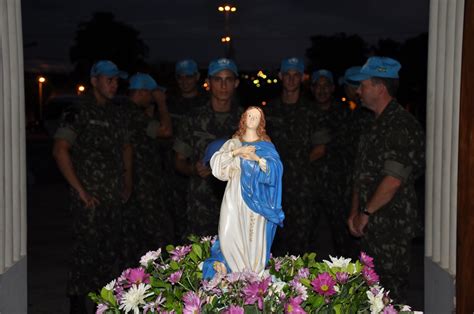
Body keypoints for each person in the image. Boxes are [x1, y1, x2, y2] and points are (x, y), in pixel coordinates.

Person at [52, 60, 131, 313]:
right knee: (85, 252)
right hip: (89, 198)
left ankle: (104, 302)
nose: (114, 84)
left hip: (113, 196)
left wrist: (127, 183)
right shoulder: (78, 111)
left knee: (109, 253)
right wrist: (80, 191)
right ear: (94, 81)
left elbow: (126, 148)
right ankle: (77, 304)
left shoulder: (115, 113)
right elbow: (60, 150)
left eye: (116, 79)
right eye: (109, 79)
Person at [346, 56, 425, 302]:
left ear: (380, 87)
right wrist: (355, 212)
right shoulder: (375, 124)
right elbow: (362, 175)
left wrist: (365, 214)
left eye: (364, 85)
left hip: (390, 227)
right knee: (370, 294)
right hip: (371, 225)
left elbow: (393, 180)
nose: (358, 90)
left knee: (390, 296)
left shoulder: (401, 125)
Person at [202, 107, 284, 278]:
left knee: (254, 237)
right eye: (250, 116)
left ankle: (252, 276)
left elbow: (276, 169)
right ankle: (232, 272)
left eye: (257, 116)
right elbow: (217, 164)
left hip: (257, 199)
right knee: (228, 233)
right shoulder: (234, 143)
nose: (253, 119)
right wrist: (237, 152)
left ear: (261, 121)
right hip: (234, 197)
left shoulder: (266, 146)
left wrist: (257, 159)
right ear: (243, 119)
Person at [173, 58, 243, 239]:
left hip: (237, 203)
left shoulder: (247, 121)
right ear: (209, 83)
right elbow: (179, 161)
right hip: (201, 204)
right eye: (218, 79)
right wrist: (194, 169)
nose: (223, 85)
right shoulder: (193, 119)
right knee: (199, 259)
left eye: (228, 79)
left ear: (236, 83)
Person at [264, 57, 318, 256]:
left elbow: (320, 148)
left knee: (301, 243)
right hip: (273, 188)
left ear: (302, 78)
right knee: (274, 243)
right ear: (280, 76)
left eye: (296, 75)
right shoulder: (269, 110)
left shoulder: (312, 111)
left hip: (302, 189)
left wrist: (296, 168)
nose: (291, 79)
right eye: (287, 74)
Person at [121, 73, 174, 266]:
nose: (154, 96)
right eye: (152, 93)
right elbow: (165, 131)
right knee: (158, 234)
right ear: (143, 92)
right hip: (143, 184)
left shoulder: (126, 111)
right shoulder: (134, 115)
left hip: (135, 182)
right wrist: (162, 104)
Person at [309, 69, 356, 258]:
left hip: (338, 191)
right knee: (309, 242)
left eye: (326, 85)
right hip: (309, 189)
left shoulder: (345, 113)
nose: (322, 90)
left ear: (333, 88)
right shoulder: (304, 112)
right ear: (312, 89)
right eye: (318, 86)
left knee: (341, 245)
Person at [163, 59, 208, 242]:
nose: (184, 81)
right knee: (176, 225)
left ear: (197, 77)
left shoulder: (206, 102)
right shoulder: (170, 103)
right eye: (180, 77)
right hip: (173, 173)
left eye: (189, 77)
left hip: (202, 176)